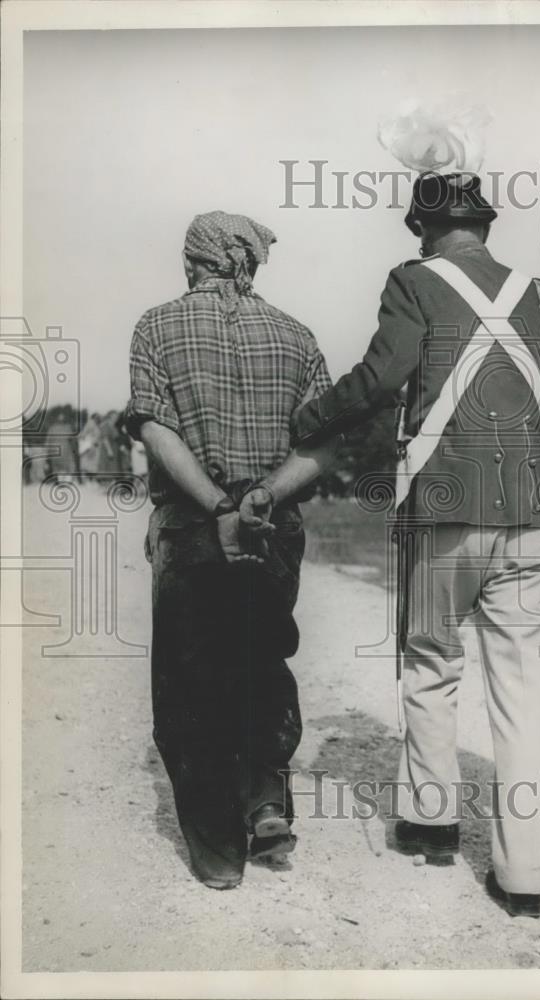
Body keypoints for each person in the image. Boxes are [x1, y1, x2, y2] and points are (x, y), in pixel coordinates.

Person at [244, 172, 540, 918]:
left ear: (421, 228)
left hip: (444, 511)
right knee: (520, 697)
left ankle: (433, 825)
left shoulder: (412, 281)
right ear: (486, 225)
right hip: (537, 521)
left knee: (431, 662)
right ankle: (525, 878)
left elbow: (382, 378)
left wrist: (307, 419)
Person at [125, 211, 336, 890]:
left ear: (192, 261)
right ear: (249, 263)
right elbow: (322, 447)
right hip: (273, 526)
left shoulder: (154, 327)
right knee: (261, 657)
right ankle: (265, 796)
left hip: (193, 525)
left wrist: (218, 508)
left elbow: (157, 431)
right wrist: (263, 499)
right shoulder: (298, 337)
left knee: (191, 685)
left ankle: (220, 855)